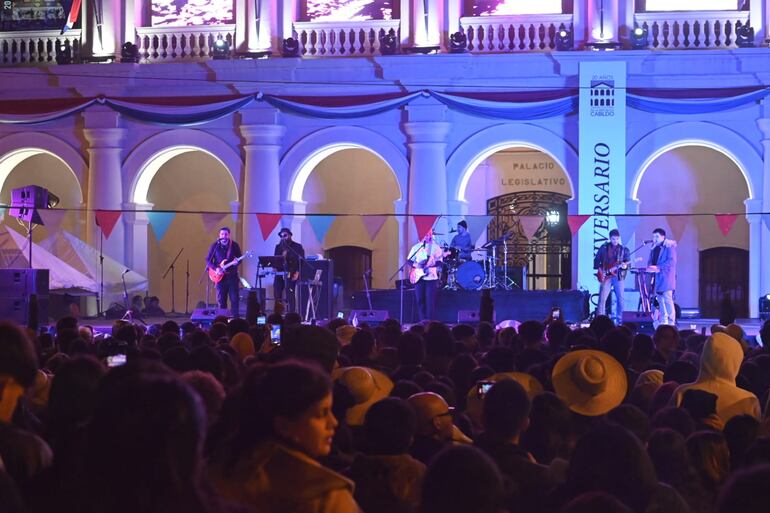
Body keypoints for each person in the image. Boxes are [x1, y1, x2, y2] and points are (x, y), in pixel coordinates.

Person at [207, 361, 360, 513]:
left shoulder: (215, 473)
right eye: (322, 413)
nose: (333, 422)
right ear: (283, 425)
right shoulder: (325, 498)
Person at [593, 228, 630, 323]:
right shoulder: (604, 247)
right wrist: (600, 270)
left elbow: (628, 264)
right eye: (613, 239)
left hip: (618, 276)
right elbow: (596, 260)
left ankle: (620, 320)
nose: (615, 241)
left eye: (617, 239)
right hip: (606, 276)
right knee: (602, 298)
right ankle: (600, 320)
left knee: (620, 298)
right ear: (610, 238)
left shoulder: (623, 250)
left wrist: (625, 266)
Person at [205, 227, 242, 318]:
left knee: (234, 299)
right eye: (222, 234)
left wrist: (237, 262)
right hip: (220, 278)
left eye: (225, 234)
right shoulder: (215, 246)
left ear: (229, 235)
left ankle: (235, 320)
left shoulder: (234, 245)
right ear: (219, 235)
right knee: (221, 300)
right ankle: (223, 320)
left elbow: (239, 259)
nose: (224, 236)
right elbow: (208, 260)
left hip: (232, 277)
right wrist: (215, 268)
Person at [408, 231, 443, 322]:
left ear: (431, 235)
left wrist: (432, 264)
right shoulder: (416, 247)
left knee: (430, 302)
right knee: (420, 300)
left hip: (431, 278)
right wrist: (416, 265)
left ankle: (430, 323)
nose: (427, 236)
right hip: (418, 277)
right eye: (425, 234)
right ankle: (422, 321)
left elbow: (440, 262)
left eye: (428, 234)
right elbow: (409, 260)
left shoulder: (435, 247)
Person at [647, 227, 677, 326]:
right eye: (653, 236)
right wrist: (650, 267)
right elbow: (651, 260)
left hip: (666, 277)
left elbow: (671, 261)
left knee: (667, 299)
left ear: (663, 237)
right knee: (660, 299)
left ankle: (671, 322)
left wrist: (658, 267)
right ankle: (664, 321)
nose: (654, 238)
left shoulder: (669, 246)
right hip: (657, 277)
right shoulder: (654, 247)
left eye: (657, 236)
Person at [274, 227, 305, 314]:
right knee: (277, 292)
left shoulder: (297, 247)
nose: (283, 237)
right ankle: (278, 314)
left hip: (292, 273)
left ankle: (291, 314)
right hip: (280, 274)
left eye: (285, 235)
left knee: (290, 294)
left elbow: (301, 261)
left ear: (290, 235)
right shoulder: (278, 247)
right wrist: (275, 267)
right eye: (281, 236)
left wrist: (297, 273)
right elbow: (275, 260)